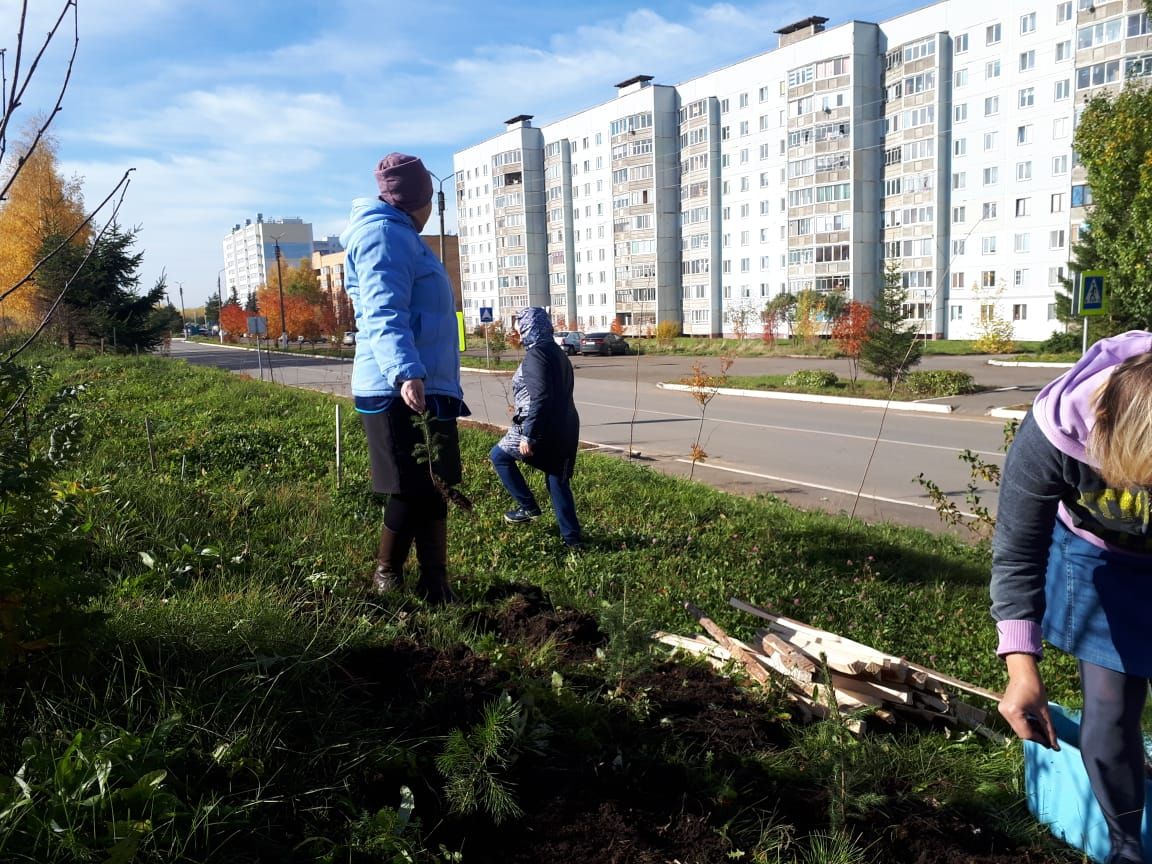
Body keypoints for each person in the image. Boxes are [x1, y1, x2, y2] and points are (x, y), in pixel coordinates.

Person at [991, 330, 1152, 864]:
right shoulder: (1055, 432)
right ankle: (1128, 847)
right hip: (1099, 557)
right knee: (1108, 709)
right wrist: (1022, 669)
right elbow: (1018, 554)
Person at [340, 152, 468, 604]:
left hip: (425, 383)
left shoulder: (402, 236)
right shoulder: (383, 235)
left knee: (434, 485)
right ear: (421, 199)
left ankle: (435, 583)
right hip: (398, 385)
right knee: (411, 487)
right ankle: (387, 574)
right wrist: (406, 371)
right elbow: (382, 312)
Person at [490, 307, 583, 550]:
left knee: (499, 457)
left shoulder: (536, 355)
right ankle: (572, 540)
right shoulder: (556, 352)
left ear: (530, 326)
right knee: (557, 479)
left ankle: (528, 507)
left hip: (538, 425)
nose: (516, 329)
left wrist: (529, 434)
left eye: (519, 324)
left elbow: (539, 397)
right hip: (566, 426)